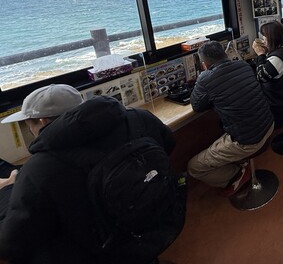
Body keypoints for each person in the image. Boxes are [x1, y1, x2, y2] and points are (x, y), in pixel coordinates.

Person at [0, 84, 181, 264]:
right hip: (151, 224)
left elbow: (10, 243)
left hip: (102, 250)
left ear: (43, 121)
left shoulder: (40, 168)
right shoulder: (140, 118)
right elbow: (169, 144)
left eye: (29, 124)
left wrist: (8, 190)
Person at [188, 41, 274, 196]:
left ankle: (236, 174)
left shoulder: (206, 78)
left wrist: (202, 78)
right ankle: (240, 165)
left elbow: (197, 106)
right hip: (268, 125)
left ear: (204, 64)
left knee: (194, 167)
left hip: (249, 141)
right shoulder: (243, 65)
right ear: (225, 54)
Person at [252, 21, 283, 128]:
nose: (263, 39)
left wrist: (260, 55)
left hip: (280, 102)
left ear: (272, 37)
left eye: (264, 36)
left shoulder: (277, 58)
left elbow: (260, 76)